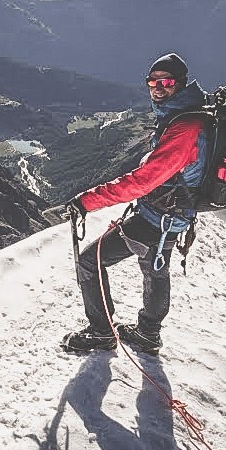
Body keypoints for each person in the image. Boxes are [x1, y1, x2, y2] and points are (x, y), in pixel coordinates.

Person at [63, 53, 209, 356]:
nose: (158, 87)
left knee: (90, 262)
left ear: (180, 85)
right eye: (152, 82)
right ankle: (148, 334)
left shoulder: (186, 128)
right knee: (155, 269)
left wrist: (87, 202)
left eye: (166, 82)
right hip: (174, 217)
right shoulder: (191, 115)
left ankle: (102, 332)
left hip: (156, 218)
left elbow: (143, 181)